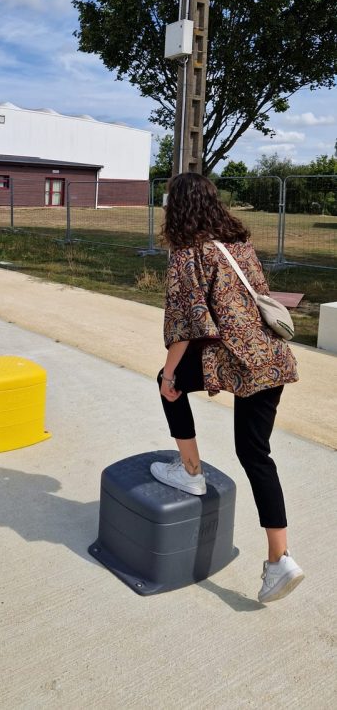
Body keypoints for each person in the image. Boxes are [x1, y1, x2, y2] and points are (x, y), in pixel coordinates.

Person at [151, 172, 304, 603]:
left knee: (169, 385)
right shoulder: (237, 243)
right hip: (271, 357)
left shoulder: (187, 252)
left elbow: (186, 322)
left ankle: (191, 472)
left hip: (238, 360)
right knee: (256, 455)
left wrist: (168, 375)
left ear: (177, 207)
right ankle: (280, 559)